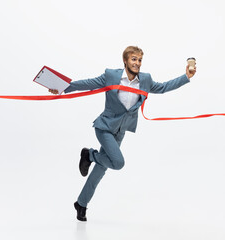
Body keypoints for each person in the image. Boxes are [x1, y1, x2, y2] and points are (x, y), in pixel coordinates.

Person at [49, 46, 196, 221]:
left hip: (120, 131)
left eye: (140, 60)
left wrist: (186, 76)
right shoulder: (111, 75)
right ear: (125, 61)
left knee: (100, 170)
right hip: (104, 127)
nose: (137, 63)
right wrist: (63, 88)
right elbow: (88, 84)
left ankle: (81, 203)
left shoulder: (145, 80)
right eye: (134, 59)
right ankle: (89, 155)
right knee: (117, 163)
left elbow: (163, 87)